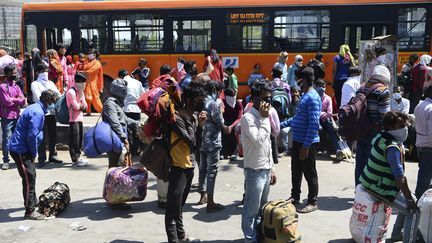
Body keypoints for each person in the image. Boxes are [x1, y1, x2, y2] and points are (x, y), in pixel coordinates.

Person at [358, 111, 419, 243]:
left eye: (406, 126)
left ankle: (397, 233)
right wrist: (408, 199)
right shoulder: (392, 147)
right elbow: (399, 177)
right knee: (414, 210)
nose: (405, 129)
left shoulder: (381, 137)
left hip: (370, 182)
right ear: (391, 127)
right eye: (402, 126)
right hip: (379, 188)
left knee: (412, 200)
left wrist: (409, 197)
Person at [165, 82, 207, 243]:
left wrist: (200, 127)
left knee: (179, 207)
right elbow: (190, 141)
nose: (201, 103)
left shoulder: (193, 118)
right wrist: (194, 124)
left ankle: (181, 236)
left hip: (189, 167)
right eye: (198, 100)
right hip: (177, 168)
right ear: (188, 100)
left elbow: (197, 146)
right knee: (171, 212)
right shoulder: (176, 118)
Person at [8, 90, 56, 220]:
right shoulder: (38, 113)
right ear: (48, 101)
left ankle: (32, 201)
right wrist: (34, 154)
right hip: (20, 150)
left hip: (23, 148)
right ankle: (29, 211)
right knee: (29, 178)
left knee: (31, 175)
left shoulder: (36, 107)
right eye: (52, 101)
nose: (53, 104)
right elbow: (31, 135)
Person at [240, 79, 277, 242]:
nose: (268, 102)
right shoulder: (248, 118)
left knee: (262, 210)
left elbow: (268, 144)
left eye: (270, 99)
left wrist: (272, 168)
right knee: (251, 211)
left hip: (266, 169)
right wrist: (263, 118)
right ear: (254, 98)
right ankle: (250, 239)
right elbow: (258, 140)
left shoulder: (264, 117)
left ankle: (258, 236)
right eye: (264, 99)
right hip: (254, 171)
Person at [280, 67, 321, 213]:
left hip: (306, 143)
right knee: (296, 171)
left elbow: (314, 124)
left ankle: (312, 201)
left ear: (303, 80)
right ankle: (295, 196)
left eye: (299, 80)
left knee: (309, 172)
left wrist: (306, 146)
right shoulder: (304, 96)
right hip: (297, 140)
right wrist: (280, 125)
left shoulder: (313, 97)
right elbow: (297, 118)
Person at [354, 65, 391, 185]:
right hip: (375, 132)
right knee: (372, 162)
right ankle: (368, 192)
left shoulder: (361, 88)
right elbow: (385, 116)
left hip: (360, 129)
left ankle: (358, 189)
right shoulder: (383, 91)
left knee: (360, 161)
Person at [198, 80, 225, 211]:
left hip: (202, 140)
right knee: (212, 171)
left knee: (202, 169)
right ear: (214, 90)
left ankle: (202, 195)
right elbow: (220, 122)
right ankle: (210, 202)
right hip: (213, 141)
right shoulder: (213, 104)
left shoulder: (201, 101)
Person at [31, 63, 63, 167]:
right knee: (41, 137)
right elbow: (38, 97)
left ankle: (53, 155)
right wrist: (51, 96)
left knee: (53, 135)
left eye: (46, 71)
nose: (44, 73)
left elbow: (58, 95)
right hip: (41, 113)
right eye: (42, 71)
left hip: (52, 112)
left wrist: (51, 97)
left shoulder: (50, 83)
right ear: (37, 73)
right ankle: (41, 158)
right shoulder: (35, 84)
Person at [315, 79, 350, 161]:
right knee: (322, 127)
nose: (322, 89)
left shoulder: (328, 98)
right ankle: (334, 149)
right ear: (316, 87)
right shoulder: (314, 97)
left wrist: (322, 114)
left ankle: (338, 150)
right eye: (320, 87)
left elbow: (330, 113)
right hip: (315, 120)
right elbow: (314, 112)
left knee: (332, 128)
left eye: (323, 87)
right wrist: (323, 114)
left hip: (325, 120)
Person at [0, 65, 26, 170]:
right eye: (12, 72)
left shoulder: (16, 86)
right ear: (7, 74)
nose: (14, 74)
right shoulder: (2, 87)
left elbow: (23, 100)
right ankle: (6, 160)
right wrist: (16, 100)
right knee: (7, 139)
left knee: (18, 137)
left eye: (15, 72)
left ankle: (18, 159)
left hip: (17, 115)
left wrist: (13, 100)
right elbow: (6, 102)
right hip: (7, 116)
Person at [102, 78, 131, 169]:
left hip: (120, 138)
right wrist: (123, 138)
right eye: (123, 90)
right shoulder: (110, 104)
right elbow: (115, 122)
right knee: (115, 167)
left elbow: (123, 120)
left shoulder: (118, 103)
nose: (125, 92)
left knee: (121, 167)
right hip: (116, 139)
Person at [413, 85, 432, 200]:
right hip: (429, 146)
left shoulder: (420, 105)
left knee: (424, 174)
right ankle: (419, 201)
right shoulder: (430, 108)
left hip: (420, 144)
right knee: (425, 177)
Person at [121, 69, 146, 156]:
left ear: (120, 76)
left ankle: (131, 150)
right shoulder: (137, 82)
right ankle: (138, 149)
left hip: (126, 109)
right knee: (137, 130)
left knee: (128, 131)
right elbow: (143, 94)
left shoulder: (122, 82)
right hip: (136, 109)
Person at [66, 72, 88, 167]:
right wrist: (81, 106)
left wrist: (81, 106)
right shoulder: (71, 92)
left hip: (80, 118)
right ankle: (74, 159)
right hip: (73, 119)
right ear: (77, 81)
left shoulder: (81, 92)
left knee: (79, 140)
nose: (84, 84)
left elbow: (85, 105)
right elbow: (75, 106)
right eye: (82, 82)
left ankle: (78, 157)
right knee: (74, 140)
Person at [221, 88, 243, 160]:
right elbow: (219, 116)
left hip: (235, 122)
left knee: (236, 130)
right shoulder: (222, 103)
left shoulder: (238, 103)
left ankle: (234, 152)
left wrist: (232, 126)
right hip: (224, 122)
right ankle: (223, 152)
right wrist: (223, 126)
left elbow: (239, 117)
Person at [83, 49, 104, 115]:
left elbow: (91, 70)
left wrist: (83, 72)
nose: (89, 55)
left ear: (94, 55)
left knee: (95, 99)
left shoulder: (97, 63)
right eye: (89, 53)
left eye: (90, 53)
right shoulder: (87, 62)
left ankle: (102, 111)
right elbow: (83, 67)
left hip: (93, 83)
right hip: (87, 82)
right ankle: (88, 111)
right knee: (87, 98)